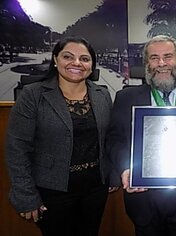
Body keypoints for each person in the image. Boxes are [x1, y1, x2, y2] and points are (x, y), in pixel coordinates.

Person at [106, 35, 176, 236]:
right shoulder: (125, 98)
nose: (162, 63)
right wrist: (124, 168)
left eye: (168, 56)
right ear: (147, 63)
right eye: (154, 58)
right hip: (143, 200)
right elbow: (115, 140)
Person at [6, 36, 113, 236]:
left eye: (84, 58)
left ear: (91, 65)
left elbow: (108, 141)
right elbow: (17, 149)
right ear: (55, 60)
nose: (77, 63)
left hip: (95, 188)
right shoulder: (33, 95)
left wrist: (113, 174)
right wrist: (26, 196)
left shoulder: (102, 94)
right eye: (68, 57)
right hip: (51, 190)